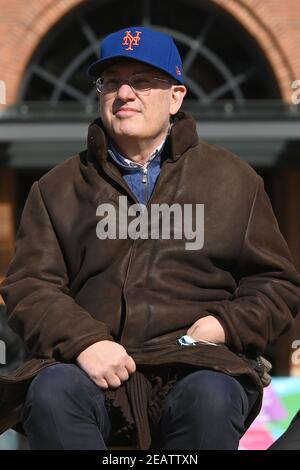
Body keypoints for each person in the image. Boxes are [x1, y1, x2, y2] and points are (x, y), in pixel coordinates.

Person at [0, 25, 300, 451]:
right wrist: (86, 342)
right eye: (111, 82)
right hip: (89, 369)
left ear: (176, 97)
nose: (124, 93)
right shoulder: (56, 188)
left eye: (142, 81)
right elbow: (30, 285)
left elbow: (276, 285)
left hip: (198, 364)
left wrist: (224, 326)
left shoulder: (235, 181)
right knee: (50, 394)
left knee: (211, 399)